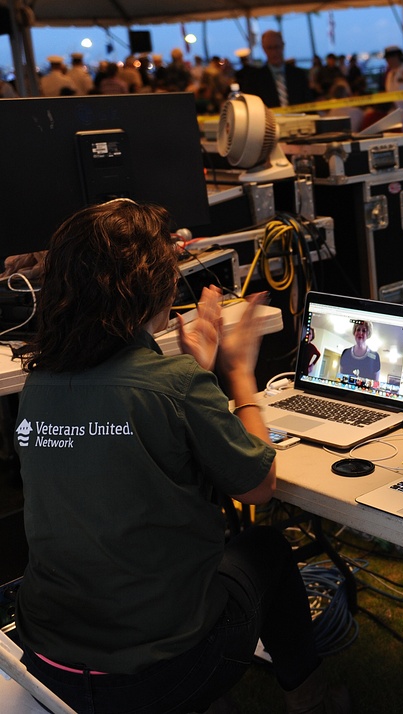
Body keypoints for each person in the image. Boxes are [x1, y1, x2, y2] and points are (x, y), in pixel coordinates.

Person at [14, 200, 346, 713]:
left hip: (47, 661)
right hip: (155, 672)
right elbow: (258, 485)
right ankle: (312, 697)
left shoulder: (40, 384)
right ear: (158, 287)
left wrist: (198, 372)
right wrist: (237, 373)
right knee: (267, 550)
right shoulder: (172, 384)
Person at [239, 30, 314, 108]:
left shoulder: (299, 75)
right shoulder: (253, 79)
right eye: (270, 48)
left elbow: (309, 104)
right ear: (264, 49)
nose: (274, 52)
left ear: (283, 46)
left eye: (276, 47)